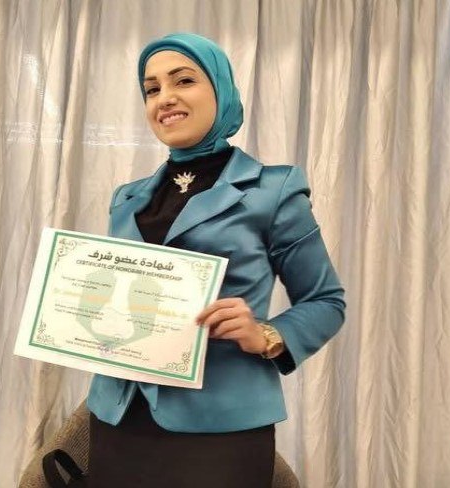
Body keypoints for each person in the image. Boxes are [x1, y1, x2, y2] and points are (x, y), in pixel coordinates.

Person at [86, 32, 345, 488]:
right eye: (152, 89)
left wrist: (266, 335)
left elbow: (326, 301)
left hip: (220, 426)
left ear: (220, 89)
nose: (165, 98)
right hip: (118, 416)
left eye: (183, 81)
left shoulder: (273, 189)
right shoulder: (126, 198)